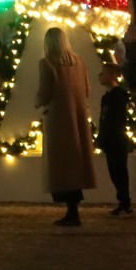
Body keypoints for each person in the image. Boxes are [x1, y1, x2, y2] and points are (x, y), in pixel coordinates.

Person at [37, 25, 96, 227]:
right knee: (76, 164)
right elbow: (87, 89)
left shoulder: (46, 64)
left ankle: (71, 211)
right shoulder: (79, 62)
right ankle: (74, 209)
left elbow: (44, 93)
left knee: (61, 166)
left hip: (58, 121)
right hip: (78, 119)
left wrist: (37, 102)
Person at [95, 63, 135, 216]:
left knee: (119, 172)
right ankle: (123, 202)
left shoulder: (118, 96)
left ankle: (125, 203)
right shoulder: (108, 97)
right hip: (110, 140)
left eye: (103, 73)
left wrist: (108, 135)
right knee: (115, 173)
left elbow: (114, 119)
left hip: (116, 140)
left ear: (113, 75)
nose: (100, 75)